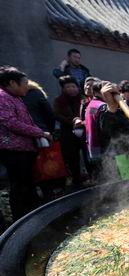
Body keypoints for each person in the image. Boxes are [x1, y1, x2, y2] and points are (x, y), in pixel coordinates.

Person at [0, 66, 52, 220]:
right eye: (24, 83)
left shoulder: (14, 97)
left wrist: (40, 132)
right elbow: (11, 123)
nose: (27, 87)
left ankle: (34, 217)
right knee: (20, 187)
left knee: (28, 185)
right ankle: (21, 223)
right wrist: (40, 132)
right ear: (12, 83)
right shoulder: (2, 97)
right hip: (14, 150)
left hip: (24, 149)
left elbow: (26, 121)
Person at [53, 75, 83, 187]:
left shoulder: (82, 99)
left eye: (73, 86)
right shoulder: (59, 100)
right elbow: (56, 115)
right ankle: (77, 181)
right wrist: (72, 121)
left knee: (87, 155)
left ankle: (91, 177)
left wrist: (81, 121)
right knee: (72, 158)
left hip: (84, 130)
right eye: (68, 87)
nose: (71, 89)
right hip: (68, 133)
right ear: (63, 89)